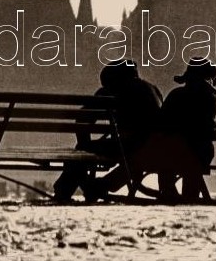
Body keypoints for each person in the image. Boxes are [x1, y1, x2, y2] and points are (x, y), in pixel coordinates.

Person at [52, 59, 163, 201]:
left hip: (129, 145)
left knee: (81, 149)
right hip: (153, 147)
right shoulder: (152, 89)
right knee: (134, 162)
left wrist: (85, 150)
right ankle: (99, 187)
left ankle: (64, 190)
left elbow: (82, 120)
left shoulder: (114, 90)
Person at [159, 57, 216, 201]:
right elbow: (210, 132)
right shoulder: (208, 98)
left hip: (173, 152)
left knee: (166, 158)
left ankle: (169, 193)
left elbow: (161, 124)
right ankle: (189, 196)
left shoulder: (176, 95)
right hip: (200, 153)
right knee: (193, 161)